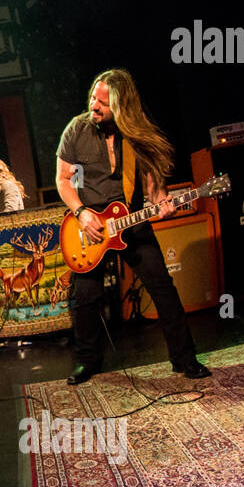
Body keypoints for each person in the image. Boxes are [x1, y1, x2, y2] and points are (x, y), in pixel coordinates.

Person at [55, 69, 211, 385]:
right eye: (92, 98)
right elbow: (62, 180)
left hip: (131, 222)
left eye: (102, 103)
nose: (93, 106)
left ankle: (184, 359)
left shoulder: (139, 138)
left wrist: (163, 202)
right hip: (89, 228)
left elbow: (155, 192)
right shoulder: (76, 130)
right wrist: (82, 212)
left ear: (121, 108)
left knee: (163, 288)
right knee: (86, 295)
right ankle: (87, 361)